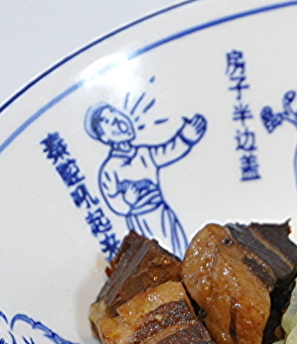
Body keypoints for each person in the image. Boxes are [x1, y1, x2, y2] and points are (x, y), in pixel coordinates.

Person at [85, 103, 206, 256]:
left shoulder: (144, 153)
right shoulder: (110, 169)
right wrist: (127, 202)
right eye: (109, 122)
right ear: (104, 137)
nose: (118, 122)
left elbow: (168, 151)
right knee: (154, 257)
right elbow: (114, 202)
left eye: (116, 115)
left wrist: (186, 137)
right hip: (142, 220)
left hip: (163, 214)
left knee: (180, 249)